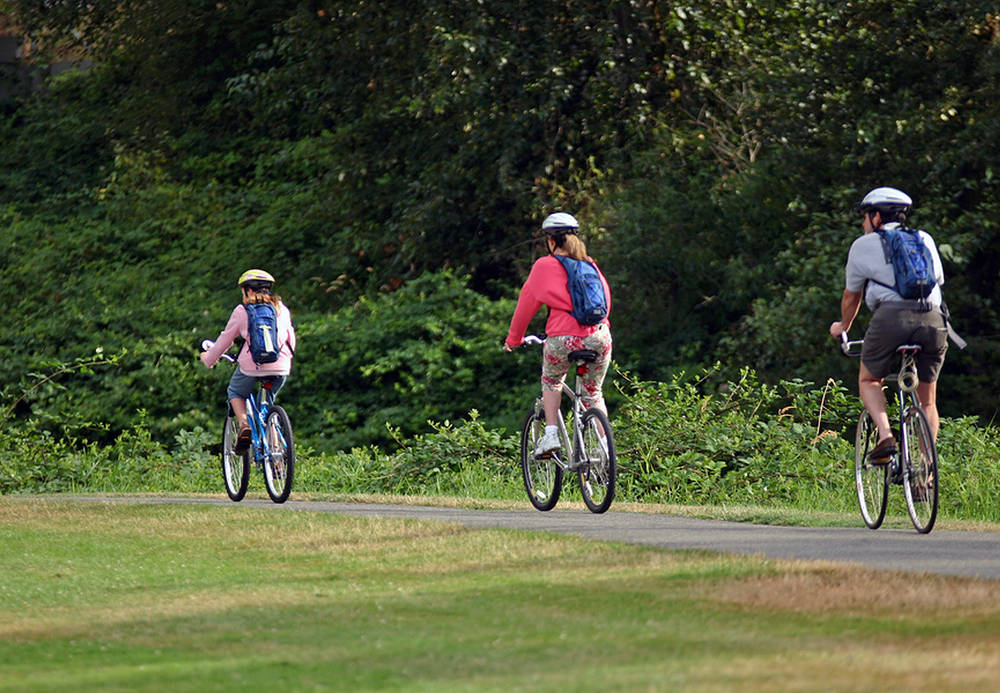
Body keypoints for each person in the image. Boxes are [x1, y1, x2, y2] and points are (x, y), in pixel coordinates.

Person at [828, 187, 948, 461]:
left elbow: (851, 296)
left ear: (877, 217)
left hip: (891, 318)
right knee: (928, 400)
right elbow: (937, 281)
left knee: (869, 379)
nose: (863, 223)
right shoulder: (924, 239)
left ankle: (885, 437)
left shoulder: (862, 244)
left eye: (865, 217)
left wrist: (843, 326)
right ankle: (926, 471)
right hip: (934, 318)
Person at [504, 212, 613, 457]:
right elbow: (605, 301)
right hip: (600, 336)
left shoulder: (544, 265)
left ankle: (551, 433)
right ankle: (607, 449)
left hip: (563, 339)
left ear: (551, 241)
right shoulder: (590, 264)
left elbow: (526, 305)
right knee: (593, 393)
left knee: (552, 380)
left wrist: (514, 339)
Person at [201, 269, 297, 453]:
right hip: (281, 367)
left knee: (235, 391)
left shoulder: (242, 311)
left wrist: (209, 359)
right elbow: (290, 339)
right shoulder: (281, 309)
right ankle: (276, 456)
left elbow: (224, 341)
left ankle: (244, 424)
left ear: (249, 291)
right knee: (268, 408)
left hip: (252, 367)